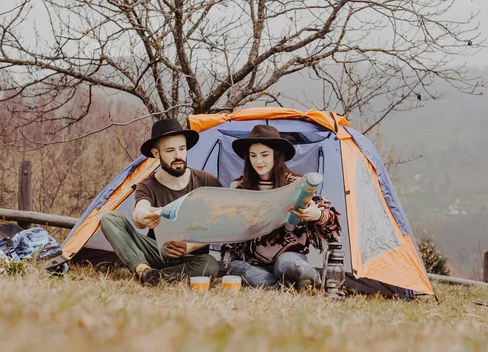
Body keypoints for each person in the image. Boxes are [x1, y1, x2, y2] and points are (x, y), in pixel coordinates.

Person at [101, 118, 222, 286]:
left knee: (210, 264)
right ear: (157, 153)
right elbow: (140, 210)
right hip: (156, 251)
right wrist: (142, 217)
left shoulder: (206, 181)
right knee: (109, 218)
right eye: (170, 150)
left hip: (190, 257)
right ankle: (143, 269)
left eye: (182, 148)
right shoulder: (148, 185)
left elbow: (222, 223)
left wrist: (190, 246)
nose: (178, 155)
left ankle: (157, 277)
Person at [221, 124, 341, 289]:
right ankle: (282, 286)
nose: (258, 161)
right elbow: (229, 239)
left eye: (264, 154)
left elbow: (331, 222)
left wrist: (318, 215)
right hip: (254, 266)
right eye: (253, 155)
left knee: (286, 265)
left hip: (290, 259)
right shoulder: (238, 188)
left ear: (276, 155)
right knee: (235, 269)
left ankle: (300, 279)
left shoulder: (299, 185)